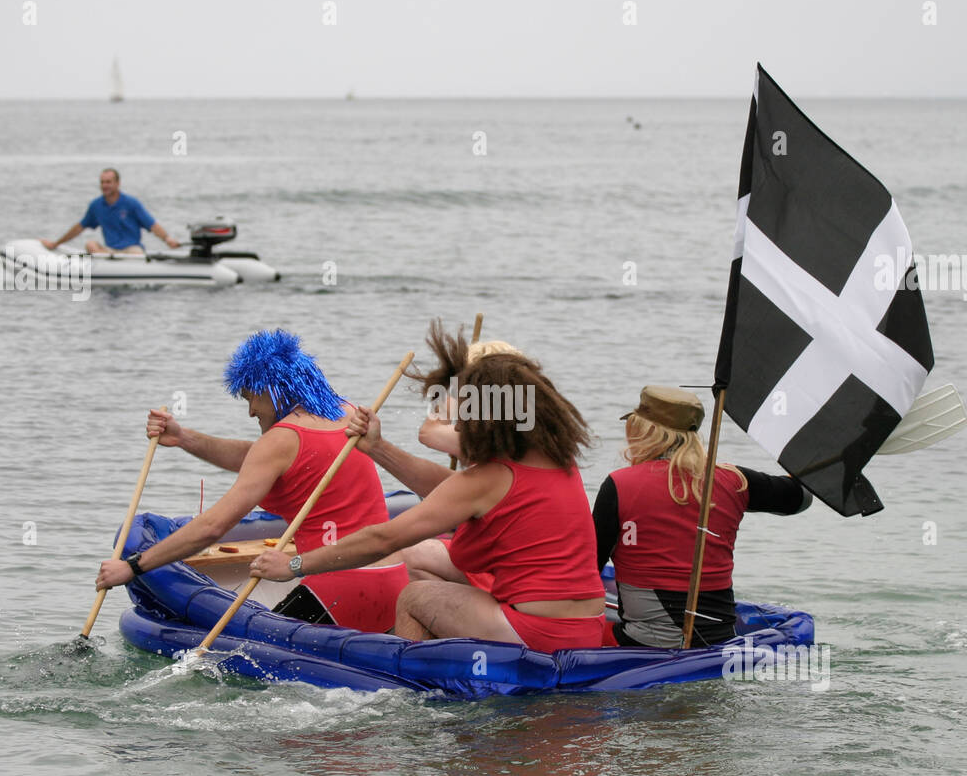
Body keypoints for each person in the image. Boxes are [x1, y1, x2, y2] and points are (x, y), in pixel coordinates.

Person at [249, 321, 607, 653]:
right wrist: (377, 448)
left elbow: (382, 540)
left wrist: (294, 565)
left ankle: (409, 689)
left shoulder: (486, 480)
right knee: (420, 557)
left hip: (542, 633)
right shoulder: (556, 460)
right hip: (587, 627)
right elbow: (446, 487)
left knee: (415, 597)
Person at [95, 329, 408, 633]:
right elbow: (260, 458)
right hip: (391, 579)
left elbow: (212, 527)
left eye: (251, 398)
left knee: (234, 655)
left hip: (339, 588)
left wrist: (133, 566)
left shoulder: (280, 440)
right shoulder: (347, 413)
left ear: (273, 390)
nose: (250, 412)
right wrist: (184, 438)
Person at [593, 386, 811, 649]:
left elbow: (588, 567)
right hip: (721, 639)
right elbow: (800, 498)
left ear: (641, 431)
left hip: (645, 643)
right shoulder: (735, 480)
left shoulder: (619, 485)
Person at [41, 168, 180, 255]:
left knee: (136, 253)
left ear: (117, 183)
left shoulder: (131, 203)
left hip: (131, 250)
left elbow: (152, 225)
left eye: (108, 182)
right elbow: (79, 227)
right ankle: (106, 267)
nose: (104, 186)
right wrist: (56, 243)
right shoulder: (96, 205)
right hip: (109, 252)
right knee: (90, 244)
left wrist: (167, 239)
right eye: (102, 182)